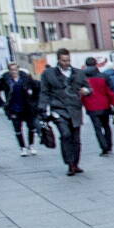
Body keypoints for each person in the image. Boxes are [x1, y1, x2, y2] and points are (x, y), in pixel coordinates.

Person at [38, 48, 90, 176]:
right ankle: (70, 164)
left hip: (75, 110)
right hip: (59, 109)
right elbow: (44, 92)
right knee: (66, 134)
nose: (66, 63)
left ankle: (76, 163)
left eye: (68, 60)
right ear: (58, 60)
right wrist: (42, 108)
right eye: (64, 60)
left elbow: (88, 87)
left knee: (76, 139)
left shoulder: (78, 73)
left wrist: (86, 91)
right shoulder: (48, 74)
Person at [0, 62, 39, 155]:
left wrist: (34, 101)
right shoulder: (5, 80)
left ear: (18, 69)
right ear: (9, 71)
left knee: (31, 127)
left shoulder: (26, 78)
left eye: (16, 69)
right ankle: (22, 148)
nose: (14, 72)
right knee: (17, 128)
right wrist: (2, 104)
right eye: (12, 70)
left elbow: (36, 87)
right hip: (14, 108)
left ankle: (31, 145)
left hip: (27, 106)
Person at [81, 56, 114, 156]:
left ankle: (103, 147)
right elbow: (111, 91)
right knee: (106, 126)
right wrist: (113, 104)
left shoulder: (83, 78)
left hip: (91, 106)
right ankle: (109, 145)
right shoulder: (104, 76)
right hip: (105, 104)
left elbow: (81, 93)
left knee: (97, 128)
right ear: (96, 64)